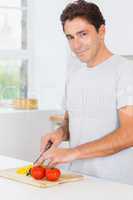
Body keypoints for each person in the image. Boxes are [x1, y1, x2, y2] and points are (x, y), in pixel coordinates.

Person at [36, 0, 133, 184]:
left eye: (83, 34)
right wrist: (60, 133)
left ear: (101, 32)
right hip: (78, 180)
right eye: (70, 37)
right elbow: (72, 121)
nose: (76, 45)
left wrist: (73, 152)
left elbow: (130, 133)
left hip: (116, 185)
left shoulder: (125, 71)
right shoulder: (74, 73)